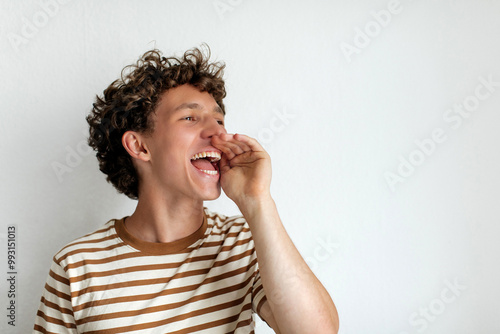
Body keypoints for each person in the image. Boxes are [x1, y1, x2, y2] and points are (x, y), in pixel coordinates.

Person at [33, 45, 339, 333]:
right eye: (190, 117)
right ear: (139, 146)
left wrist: (258, 200)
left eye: (219, 119)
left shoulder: (242, 243)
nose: (218, 132)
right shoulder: (76, 264)